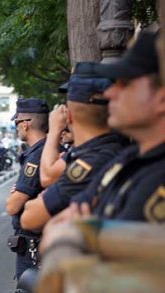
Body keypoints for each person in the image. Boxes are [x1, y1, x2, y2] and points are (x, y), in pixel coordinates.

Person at [40, 30, 165, 293]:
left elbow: (83, 280)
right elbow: (55, 225)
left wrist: (77, 234)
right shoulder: (126, 160)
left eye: (125, 83)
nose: (111, 93)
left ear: (161, 98)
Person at [21, 62, 125, 232]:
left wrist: (54, 130)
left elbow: (30, 217)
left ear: (68, 116)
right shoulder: (108, 148)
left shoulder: (94, 158)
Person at [5, 98, 49, 279]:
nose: (16, 128)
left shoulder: (37, 156)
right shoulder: (49, 150)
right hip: (42, 242)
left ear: (24, 124)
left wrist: (14, 195)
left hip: (35, 245)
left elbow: (12, 206)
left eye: (16, 123)